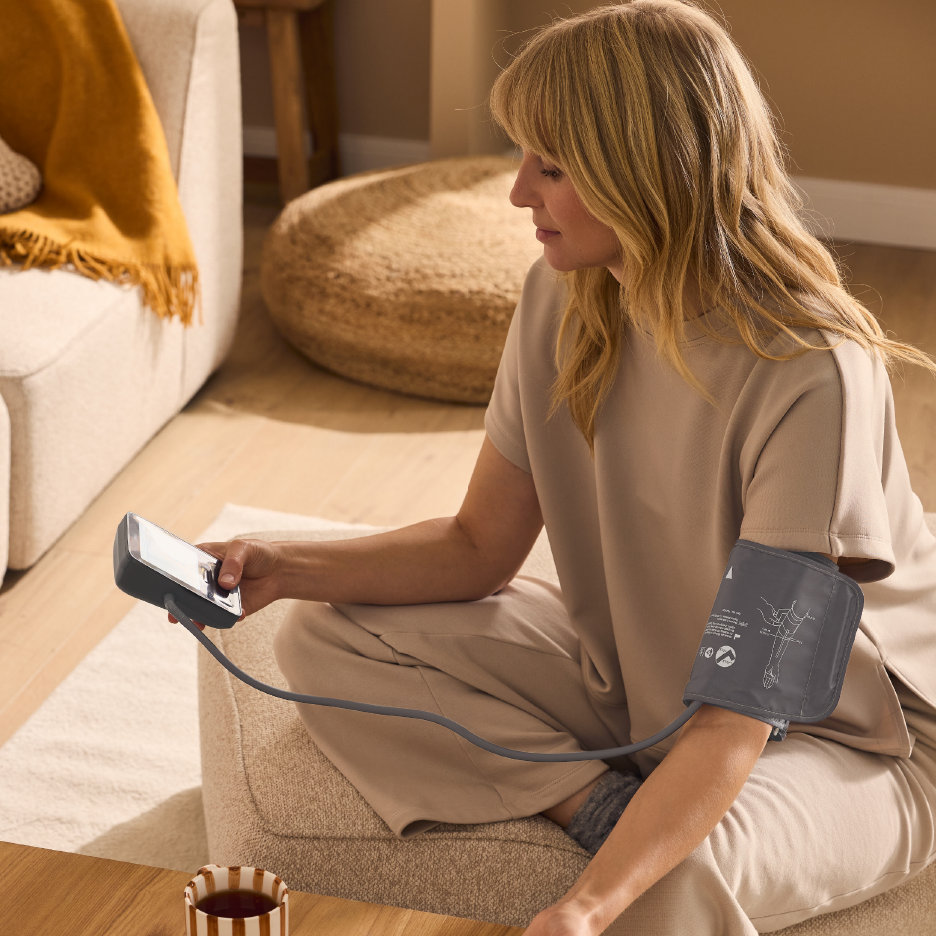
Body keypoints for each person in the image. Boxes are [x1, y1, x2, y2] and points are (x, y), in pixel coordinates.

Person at [179, 2, 936, 933]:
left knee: (660, 893)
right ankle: (598, 804)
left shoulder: (811, 372)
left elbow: (743, 714)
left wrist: (588, 902)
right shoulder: (565, 296)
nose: (515, 195)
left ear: (645, 170)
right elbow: (476, 548)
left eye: (552, 166)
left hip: (851, 738)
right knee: (321, 639)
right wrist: (284, 565)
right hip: (639, 678)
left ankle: (635, 830)